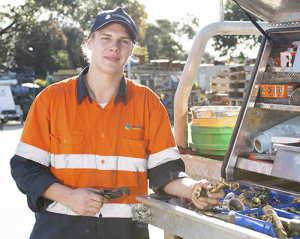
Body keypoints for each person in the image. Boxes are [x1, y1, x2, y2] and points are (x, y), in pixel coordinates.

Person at [10, 7, 224, 239]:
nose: (114, 46)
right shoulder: (51, 100)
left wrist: (192, 189)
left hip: (126, 232)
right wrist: (67, 197)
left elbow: (166, 172)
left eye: (123, 41)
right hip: (59, 231)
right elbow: (26, 168)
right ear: (90, 43)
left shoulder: (148, 104)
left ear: (131, 50)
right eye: (106, 38)